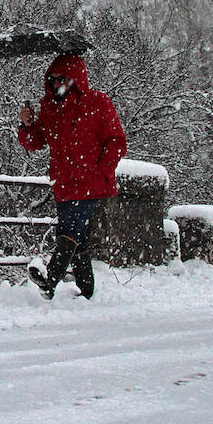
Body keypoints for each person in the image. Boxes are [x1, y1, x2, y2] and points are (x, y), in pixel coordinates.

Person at [17, 52, 126, 299]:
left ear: (74, 78)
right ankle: (86, 290)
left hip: (90, 183)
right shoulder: (49, 108)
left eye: (61, 79)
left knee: (68, 229)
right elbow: (35, 142)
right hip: (64, 183)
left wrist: (101, 169)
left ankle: (50, 279)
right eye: (52, 79)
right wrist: (26, 125)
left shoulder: (98, 103)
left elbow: (117, 142)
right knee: (76, 235)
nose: (56, 84)